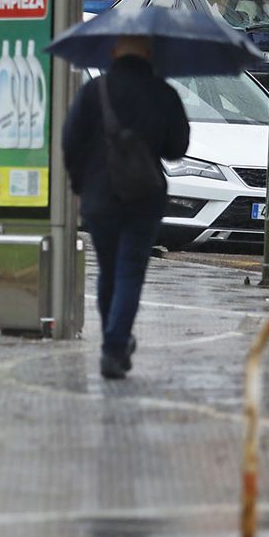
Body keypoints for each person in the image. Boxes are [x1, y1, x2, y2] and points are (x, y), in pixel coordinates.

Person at [61, 35, 190, 380]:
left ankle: (113, 342)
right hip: (144, 197)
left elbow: (70, 142)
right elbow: (178, 147)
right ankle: (114, 346)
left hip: (98, 200)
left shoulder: (94, 92)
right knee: (130, 270)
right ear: (148, 53)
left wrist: (80, 184)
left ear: (115, 51)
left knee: (108, 270)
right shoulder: (163, 93)